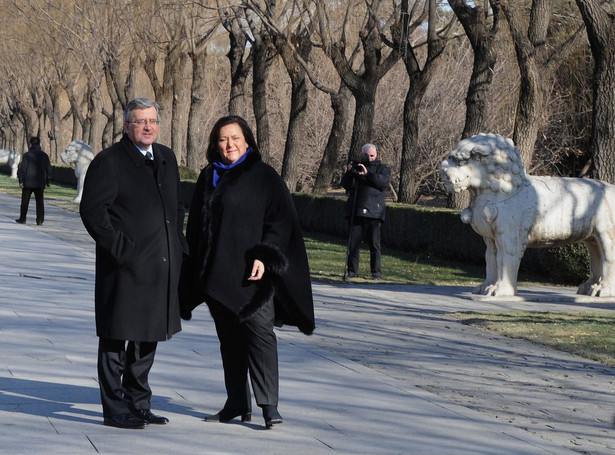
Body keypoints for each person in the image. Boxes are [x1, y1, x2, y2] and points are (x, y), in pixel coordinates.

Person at [179, 115, 315, 429]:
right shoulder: (208, 175)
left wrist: (265, 256)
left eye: (235, 138)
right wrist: (192, 268)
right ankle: (236, 402)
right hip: (217, 275)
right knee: (229, 341)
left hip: (253, 276)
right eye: (223, 139)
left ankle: (269, 405)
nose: (229, 145)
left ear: (247, 140)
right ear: (215, 143)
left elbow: (280, 222)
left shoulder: (264, 176)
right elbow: (196, 226)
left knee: (260, 335)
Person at [79, 98, 187, 429]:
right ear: (127, 126)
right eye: (140, 121)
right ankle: (115, 409)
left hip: (160, 268)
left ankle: (139, 402)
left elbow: (176, 208)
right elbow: (93, 212)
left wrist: (179, 247)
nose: (148, 127)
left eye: (153, 121)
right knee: (116, 338)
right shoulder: (109, 162)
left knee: (148, 337)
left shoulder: (166, 158)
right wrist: (121, 249)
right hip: (124, 269)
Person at [340, 143, 391, 280]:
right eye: (366, 155)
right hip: (355, 210)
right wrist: (350, 172)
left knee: (374, 244)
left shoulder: (382, 168)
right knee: (353, 243)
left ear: (377, 155)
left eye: (372, 155)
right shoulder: (356, 167)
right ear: (361, 154)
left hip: (374, 212)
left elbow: (383, 183)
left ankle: (376, 273)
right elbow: (345, 184)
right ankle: (352, 270)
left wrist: (368, 174)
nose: (369, 158)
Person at [15, 137, 52, 226]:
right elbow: (49, 169)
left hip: (28, 182)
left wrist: (21, 180)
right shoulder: (44, 155)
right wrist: (48, 181)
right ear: (39, 144)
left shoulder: (27, 155)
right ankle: (40, 220)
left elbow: (22, 169)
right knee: (40, 202)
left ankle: (22, 218)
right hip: (40, 182)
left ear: (31, 144)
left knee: (25, 201)